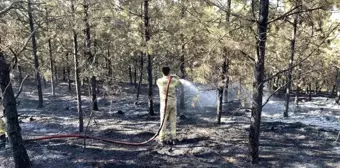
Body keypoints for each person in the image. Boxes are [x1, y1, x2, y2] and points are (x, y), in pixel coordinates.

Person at [156, 67, 181, 145]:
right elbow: (179, 83)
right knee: (173, 121)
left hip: (164, 105)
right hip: (173, 104)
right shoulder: (173, 81)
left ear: (162, 72)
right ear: (169, 72)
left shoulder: (159, 81)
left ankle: (161, 140)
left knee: (163, 122)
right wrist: (175, 76)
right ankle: (174, 139)